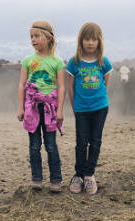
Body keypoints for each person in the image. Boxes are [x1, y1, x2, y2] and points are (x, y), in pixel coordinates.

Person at [18, 20, 65, 192]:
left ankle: (56, 179)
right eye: (31, 36)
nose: (33, 39)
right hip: (32, 108)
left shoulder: (57, 61)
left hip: (50, 110)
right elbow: (22, 85)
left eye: (37, 36)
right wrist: (21, 108)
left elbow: (61, 87)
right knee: (34, 145)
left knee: (51, 145)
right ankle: (36, 178)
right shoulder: (27, 61)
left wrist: (60, 110)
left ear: (49, 38)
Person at [67, 22, 112, 195]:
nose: (90, 42)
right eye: (87, 39)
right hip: (81, 109)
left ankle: (89, 175)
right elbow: (70, 87)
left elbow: (106, 82)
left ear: (99, 41)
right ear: (81, 41)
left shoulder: (103, 61)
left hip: (100, 108)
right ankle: (78, 175)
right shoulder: (75, 62)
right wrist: (75, 106)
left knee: (95, 141)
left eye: (94, 39)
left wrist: (100, 100)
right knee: (81, 142)